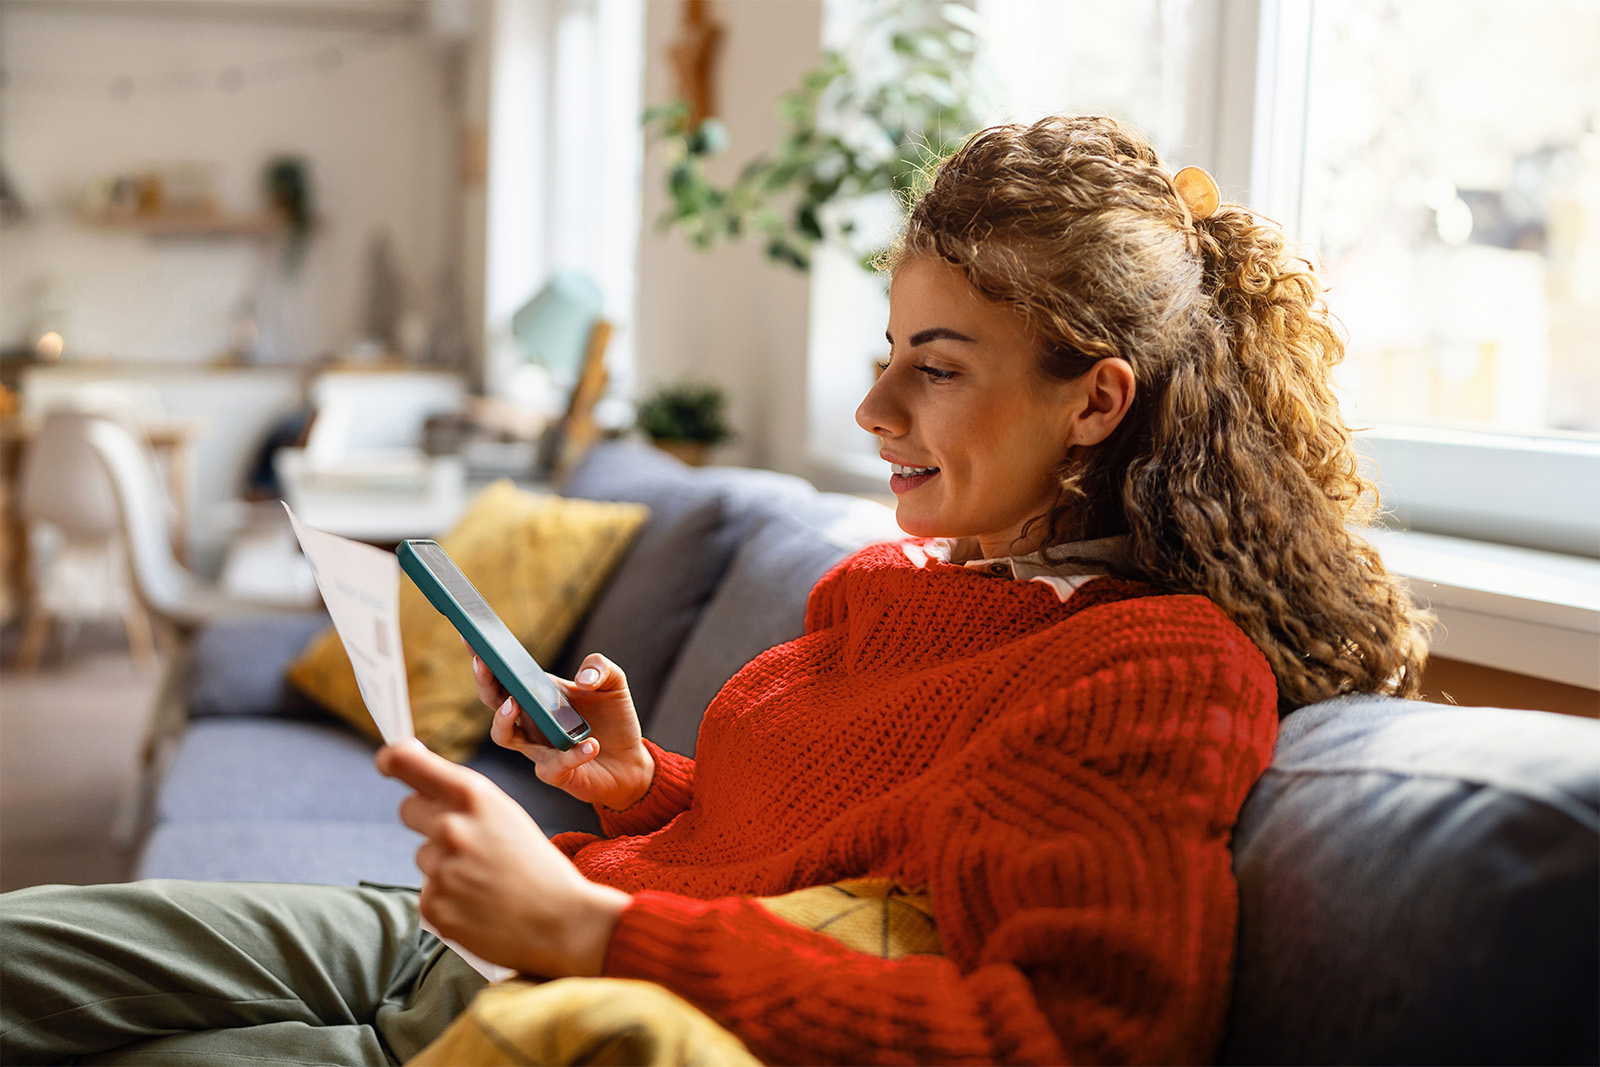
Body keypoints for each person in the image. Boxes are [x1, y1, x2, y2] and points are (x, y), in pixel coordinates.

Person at [0, 115, 1425, 1065]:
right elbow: (817, 851)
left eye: (934, 364)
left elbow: (1068, 1038)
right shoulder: (891, 590)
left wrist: (592, 930)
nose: (874, 405)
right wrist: (646, 788)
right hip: (464, 931)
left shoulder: (1152, 672)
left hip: (543, 993)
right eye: (888, 348)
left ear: (1095, 402)